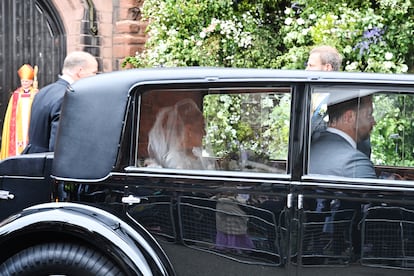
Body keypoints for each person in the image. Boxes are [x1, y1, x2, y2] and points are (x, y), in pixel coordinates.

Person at [23, 51, 98, 153]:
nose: (95, 77)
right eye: (94, 72)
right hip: (47, 164)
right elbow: (59, 147)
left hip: (30, 157)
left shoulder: (44, 91)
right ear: (80, 71)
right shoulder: (67, 97)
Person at [306, 45, 372, 157]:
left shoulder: (344, 100)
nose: (306, 70)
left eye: (311, 66)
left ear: (327, 67)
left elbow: (360, 139)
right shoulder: (308, 96)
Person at [146, 98, 214, 170]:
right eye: (202, 128)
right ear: (189, 130)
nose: (205, 134)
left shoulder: (196, 153)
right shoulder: (175, 160)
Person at [1, 64, 39, 159]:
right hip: (18, 123)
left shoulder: (36, 93)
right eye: (23, 81)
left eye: (26, 81)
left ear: (31, 81)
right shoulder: (16, 94)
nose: (24, 83)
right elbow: (11, 112)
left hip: (30, 121)